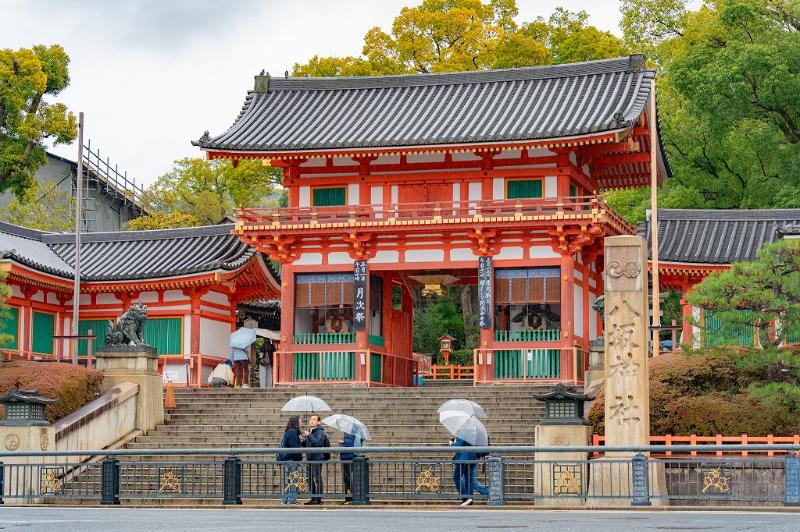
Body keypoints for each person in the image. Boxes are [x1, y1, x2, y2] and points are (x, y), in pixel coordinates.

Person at [303, 414, 330, 505]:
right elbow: (308, 445)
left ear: (318, 422)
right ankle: (313, 497)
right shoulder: (310, 431)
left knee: (317, 478)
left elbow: (318, 443)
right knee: (309, 479)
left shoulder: (320, 432)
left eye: (314, 419)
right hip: (310, 458)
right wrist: (303, 441)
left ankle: (318, 498)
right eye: (311, 419)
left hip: (317, 458)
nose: (311, 421)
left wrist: (309, 435)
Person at [278, 416, 304, 505]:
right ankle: (291, 500)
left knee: (288, 480)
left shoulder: (289, 432)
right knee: (293, 480)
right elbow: (295, 449)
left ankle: (285, 500)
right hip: (292, 460)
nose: (301, 424)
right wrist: (299, 460)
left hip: (288, 459)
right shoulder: (293, 433)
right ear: (295, 423)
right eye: (300, 422)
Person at [451, 437, 477, 506]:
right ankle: (470, 498)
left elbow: (457, 446)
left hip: (463, 459)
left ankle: (465, 497)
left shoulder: (463, 434)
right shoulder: (472, 434)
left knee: (456, 478)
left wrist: (452, 443)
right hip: (472, 458)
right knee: (469, 479)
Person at [339, 431, 362, 504]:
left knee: (348, 479)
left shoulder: (351, 434)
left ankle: (350, 498)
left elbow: (351, 445)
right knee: (347, 479)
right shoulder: (349, 434)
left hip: (348, 457)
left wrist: (343, 442)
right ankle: (348, 497)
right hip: (345, 457)